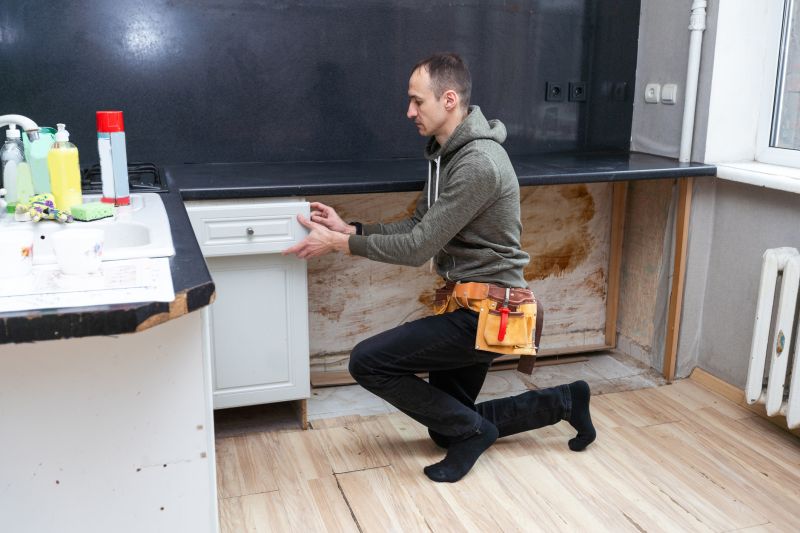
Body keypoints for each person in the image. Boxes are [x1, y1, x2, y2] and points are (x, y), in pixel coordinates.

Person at [283, 53, 595, 483]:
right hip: (463, 305)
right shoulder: (444, 155)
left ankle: (476, 433)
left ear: (449, 99)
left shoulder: (477, 163)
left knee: (367, 362)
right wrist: (351, 227)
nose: (408, 111)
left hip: (486, 314)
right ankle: (565, 402)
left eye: (417, 101)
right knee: (446, 427)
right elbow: (419, 226)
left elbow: (416, 248)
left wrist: (340, 244)